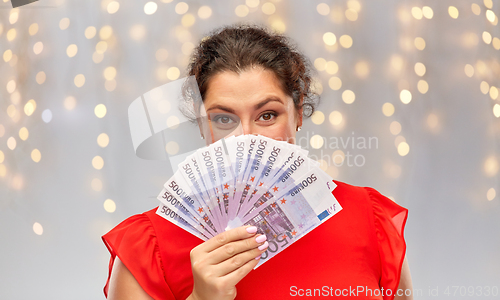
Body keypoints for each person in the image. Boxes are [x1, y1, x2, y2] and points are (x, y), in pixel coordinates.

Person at [102, 24, 413, 300]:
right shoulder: (147, 248)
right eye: (224, 118)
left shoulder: (370, 221)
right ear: (201, 125)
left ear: (298, 112)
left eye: (267, 115)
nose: (247, 138)